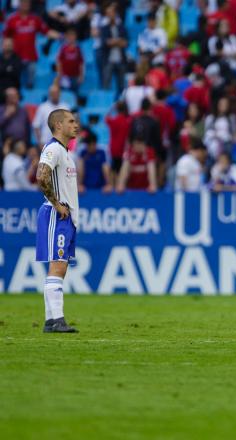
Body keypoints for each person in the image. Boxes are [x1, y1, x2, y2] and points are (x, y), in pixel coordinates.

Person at [35, 109, 80, 333]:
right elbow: (41, 176)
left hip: (64, 215)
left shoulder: (64, 152)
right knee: (57, 265)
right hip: (57, 213)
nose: (76, 125)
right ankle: (58, 320)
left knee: (59, 267)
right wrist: (56, 203)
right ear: (58, 125)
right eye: (71, 121)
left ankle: (50, 321)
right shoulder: (54, 148)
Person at [56, 27, 84, 95]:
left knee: (75, 94)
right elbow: (59, 62)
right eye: (69, 36)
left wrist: (81, 75)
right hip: (65, 76)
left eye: (73, 36)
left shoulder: (78, 49)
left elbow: (81, 63)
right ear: (67, 37)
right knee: (64, 94)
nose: (71, 38)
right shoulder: (63, 49)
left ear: (75, 37)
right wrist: (59, 75)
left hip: (75, 76)